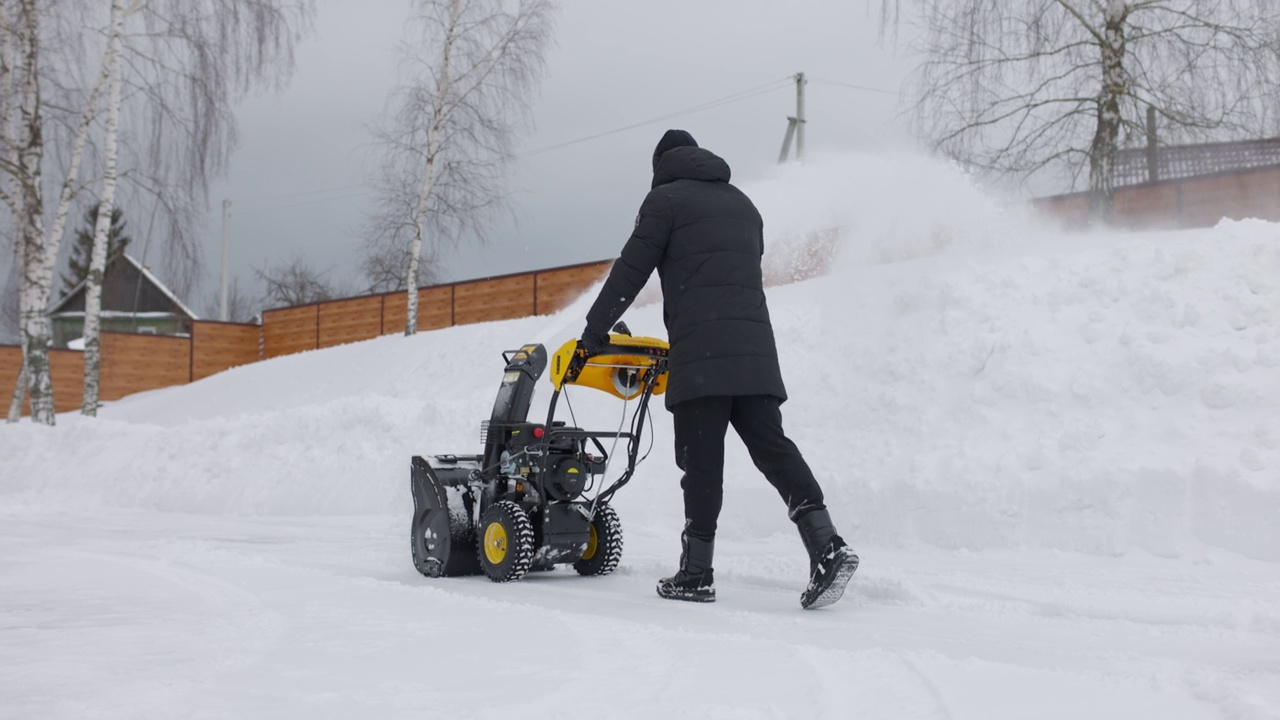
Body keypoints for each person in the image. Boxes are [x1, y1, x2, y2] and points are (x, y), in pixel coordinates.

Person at [580, 129, 858, 609]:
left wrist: (593, 332)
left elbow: (631, 270)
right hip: (754, 355)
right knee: (773, 448)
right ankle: (826, 543)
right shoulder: (744, 204)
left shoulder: (664, 202)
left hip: (702, 355)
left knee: (702, 464)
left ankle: (696, 572)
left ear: (662, 165)